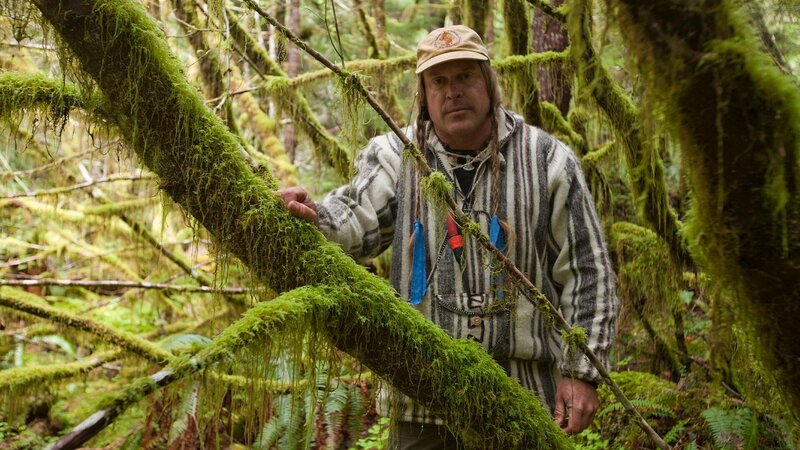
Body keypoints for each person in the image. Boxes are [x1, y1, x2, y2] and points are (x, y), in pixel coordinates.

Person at [279, 25, 618, 448]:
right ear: (424, 93)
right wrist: (314, 216)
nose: (452, 92)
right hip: (421, 400)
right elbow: (356, 219)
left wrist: (582, 372)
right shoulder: (396, 155)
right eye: (438, 81)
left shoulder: (547, 159)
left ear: (488, 82)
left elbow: (588, 271)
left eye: (465, 76)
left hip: (525, 399)